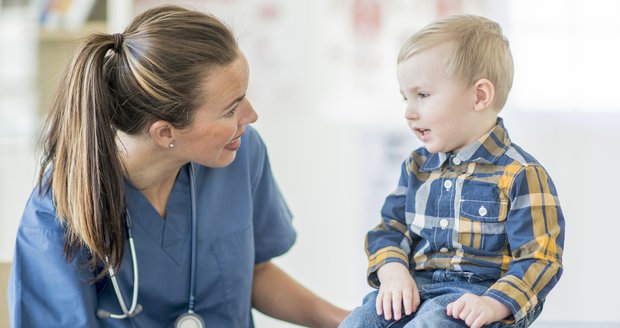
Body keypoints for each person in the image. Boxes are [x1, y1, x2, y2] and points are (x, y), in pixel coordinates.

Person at [8, 5, 348, 327]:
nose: (251, 116)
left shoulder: (240, 154)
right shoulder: (59, 209)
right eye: (231, 109)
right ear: (165, 132)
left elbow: (255, 273)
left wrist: (345, 320)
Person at [339, 15, 564, 328]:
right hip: (417, 286)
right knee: (358, 322)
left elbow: (541, 258)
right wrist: (392, 270)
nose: (408, 111)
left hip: (477, 298)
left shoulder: (521, 173)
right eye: (406, 97)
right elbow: (390, 228)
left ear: (480, 96)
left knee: (431, 324)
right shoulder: (416, 166)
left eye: (423, 95)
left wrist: (494, 304)